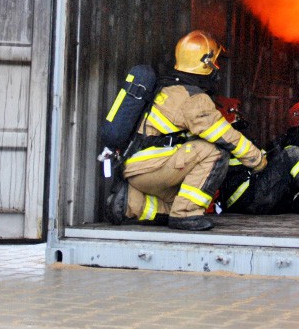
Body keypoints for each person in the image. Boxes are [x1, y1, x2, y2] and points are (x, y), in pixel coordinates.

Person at [105, 30, 267, 231]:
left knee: (180, 199)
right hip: (152, 167)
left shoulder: (168, 88)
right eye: (215, 62)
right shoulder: (193, 98)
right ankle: (185, 215)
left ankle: (131, 204)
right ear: (206, 63)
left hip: (138, 167)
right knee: (214, 152)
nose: (218, 68)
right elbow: (226, 136)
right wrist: (257, 160)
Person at [217, 109, 299, 218]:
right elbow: (257, 162)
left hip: (242, 202)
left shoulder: (221, 141)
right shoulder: (232, 139)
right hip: (246, 198)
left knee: (291, 174)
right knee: (291, 154)